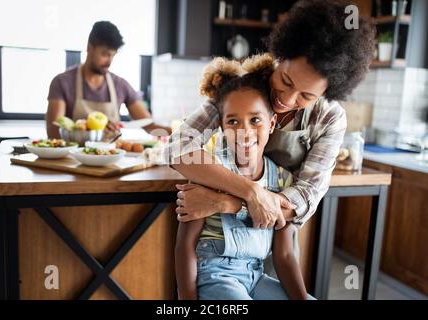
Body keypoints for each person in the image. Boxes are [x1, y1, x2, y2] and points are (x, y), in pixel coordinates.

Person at [167, 0, 376, 237]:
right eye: (285, 81)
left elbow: (307, 195)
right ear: (281, 55)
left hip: (278, 232)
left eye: (306, 96)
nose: (287, 98)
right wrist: (250, 192)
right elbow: (177, 147)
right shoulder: (241, 86)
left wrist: (228, 204)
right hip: (220, 232)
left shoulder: (329, 117)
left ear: (327, 93)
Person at [175, 54, 311, 300]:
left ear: (271, 124)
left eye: (255, 120)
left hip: (256, 277)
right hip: (215, 277)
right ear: (222, 126)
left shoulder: (282, 179)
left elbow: (285, 255)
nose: (244, 131)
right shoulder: (210, 172)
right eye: (233, 121)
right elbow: (185, 246)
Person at [46, 21, 170, 138]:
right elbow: (53, 131)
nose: (109, 62)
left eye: (113, 55)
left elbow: (148, 125)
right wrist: (87, 128)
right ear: (89, 47)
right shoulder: (62, 82)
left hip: (111, 158)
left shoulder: (120, 85)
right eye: (104, 54)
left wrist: (177, 131)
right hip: (73, 160)